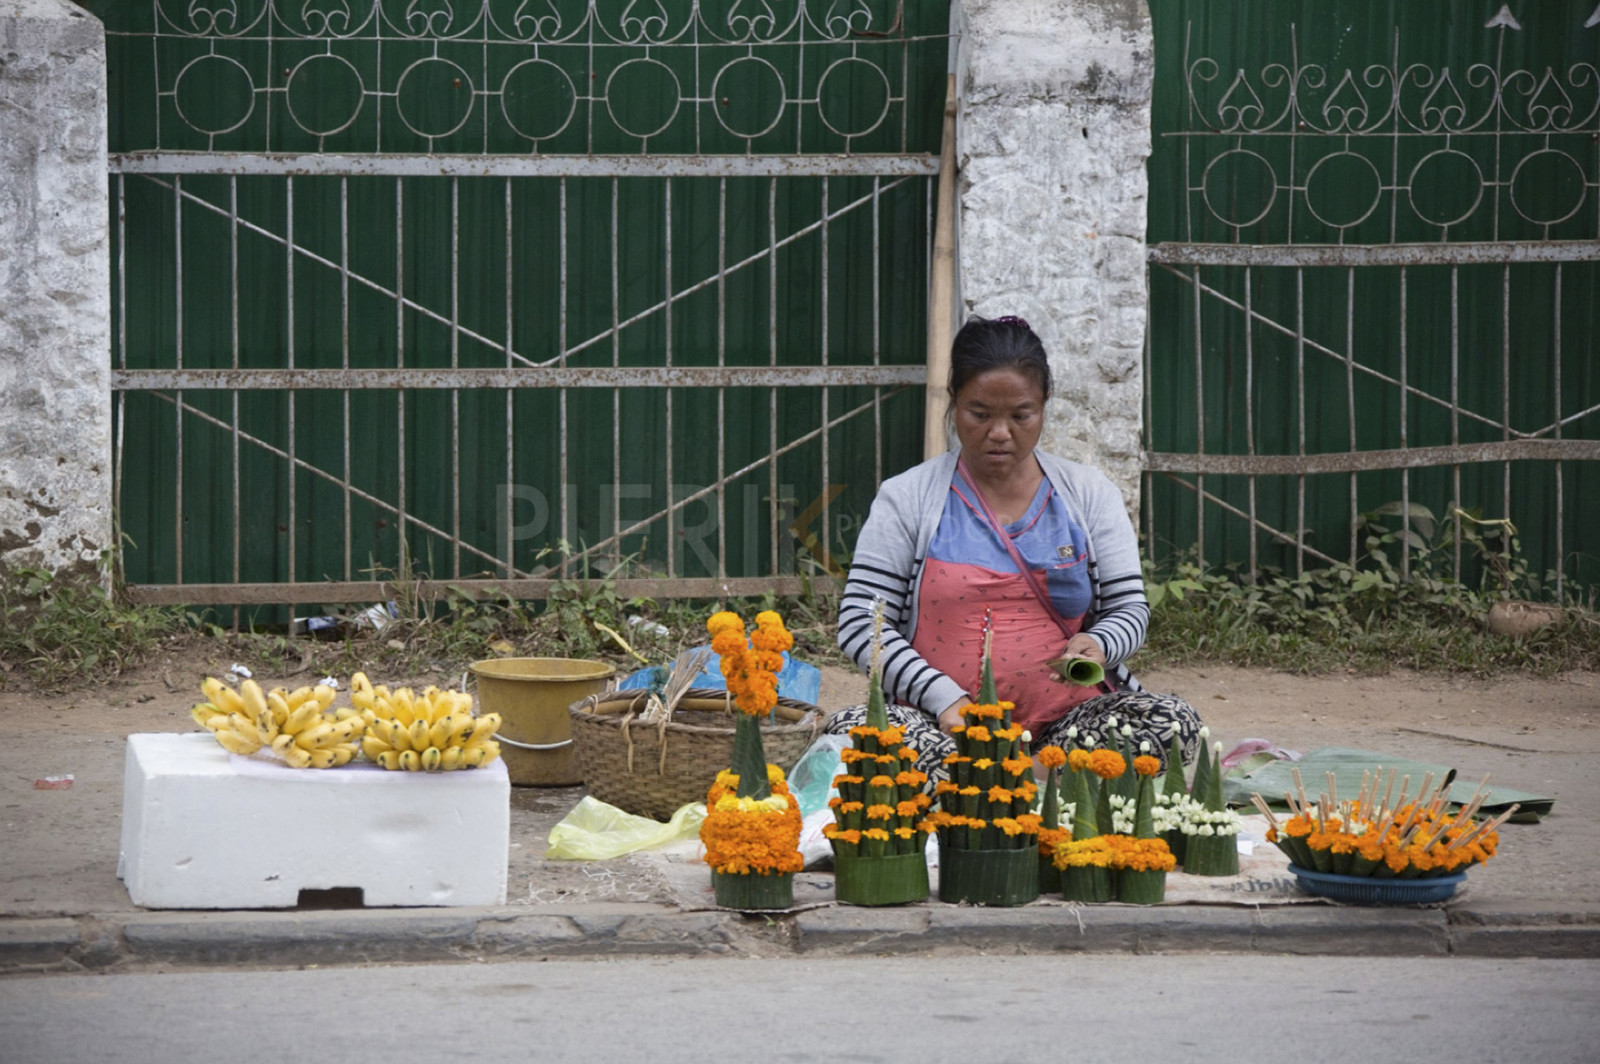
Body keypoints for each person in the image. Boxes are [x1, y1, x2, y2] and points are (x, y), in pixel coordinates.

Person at [826, 314, 1202, 787]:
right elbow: (862, 622)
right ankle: (1038, 785)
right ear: (953, 404)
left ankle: (996, 783)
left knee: (1171, 722)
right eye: (979, 414)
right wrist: (945, 700)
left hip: (1065, 727)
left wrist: (1099, 645)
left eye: (1020, 415)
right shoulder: (908, 497)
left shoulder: (1088, 494)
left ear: (1043, 407)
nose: (999, 432)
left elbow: (1129, 608)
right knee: (855, 734)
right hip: (943, 727)